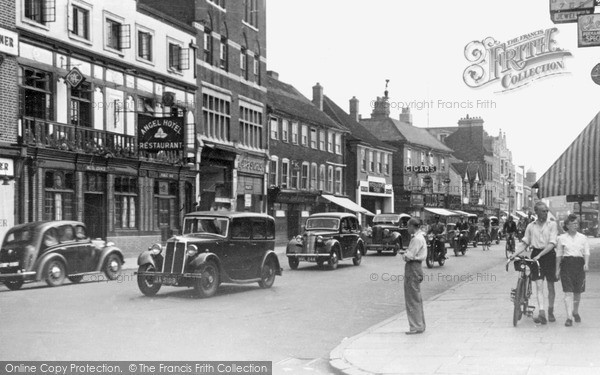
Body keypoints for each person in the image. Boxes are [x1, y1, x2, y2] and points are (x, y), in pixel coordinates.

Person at [512, 201, 559, 324]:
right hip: (536, 256)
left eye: (547, 210)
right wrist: (514, 254)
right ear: (536, 212)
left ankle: (550, 310)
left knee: (550, 286)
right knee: (538, 285)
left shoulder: (552, 225)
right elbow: (525, 242)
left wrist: (539, 255)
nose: (546, 213)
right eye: (543, 211)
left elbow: (552, 243)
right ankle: (542, 312)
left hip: (549, 255)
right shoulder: (530, 226)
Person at [556, 214, 590, 327]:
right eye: (573, 223)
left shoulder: (583, 238)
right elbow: (559, 255)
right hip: (566, 265)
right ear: (567, 225)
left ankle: (575, 311)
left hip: (579, 265)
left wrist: (586, 264)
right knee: (567, 291)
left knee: (577, 292)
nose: (576, 225)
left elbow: (586, 252)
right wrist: (557, 269)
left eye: (577, 223)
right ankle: (569, 317)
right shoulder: (561, 238)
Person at [402, 218, 427, 334]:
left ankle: (415, 326)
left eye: (408, 226)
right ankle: (420, 324)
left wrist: (404, 255)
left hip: (413, 266)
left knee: (411, 298)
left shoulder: (416, 239)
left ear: (413, 226)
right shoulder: (421, 237)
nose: (407, 228)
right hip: (418, 267)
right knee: (416, 297)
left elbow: (409, 256)